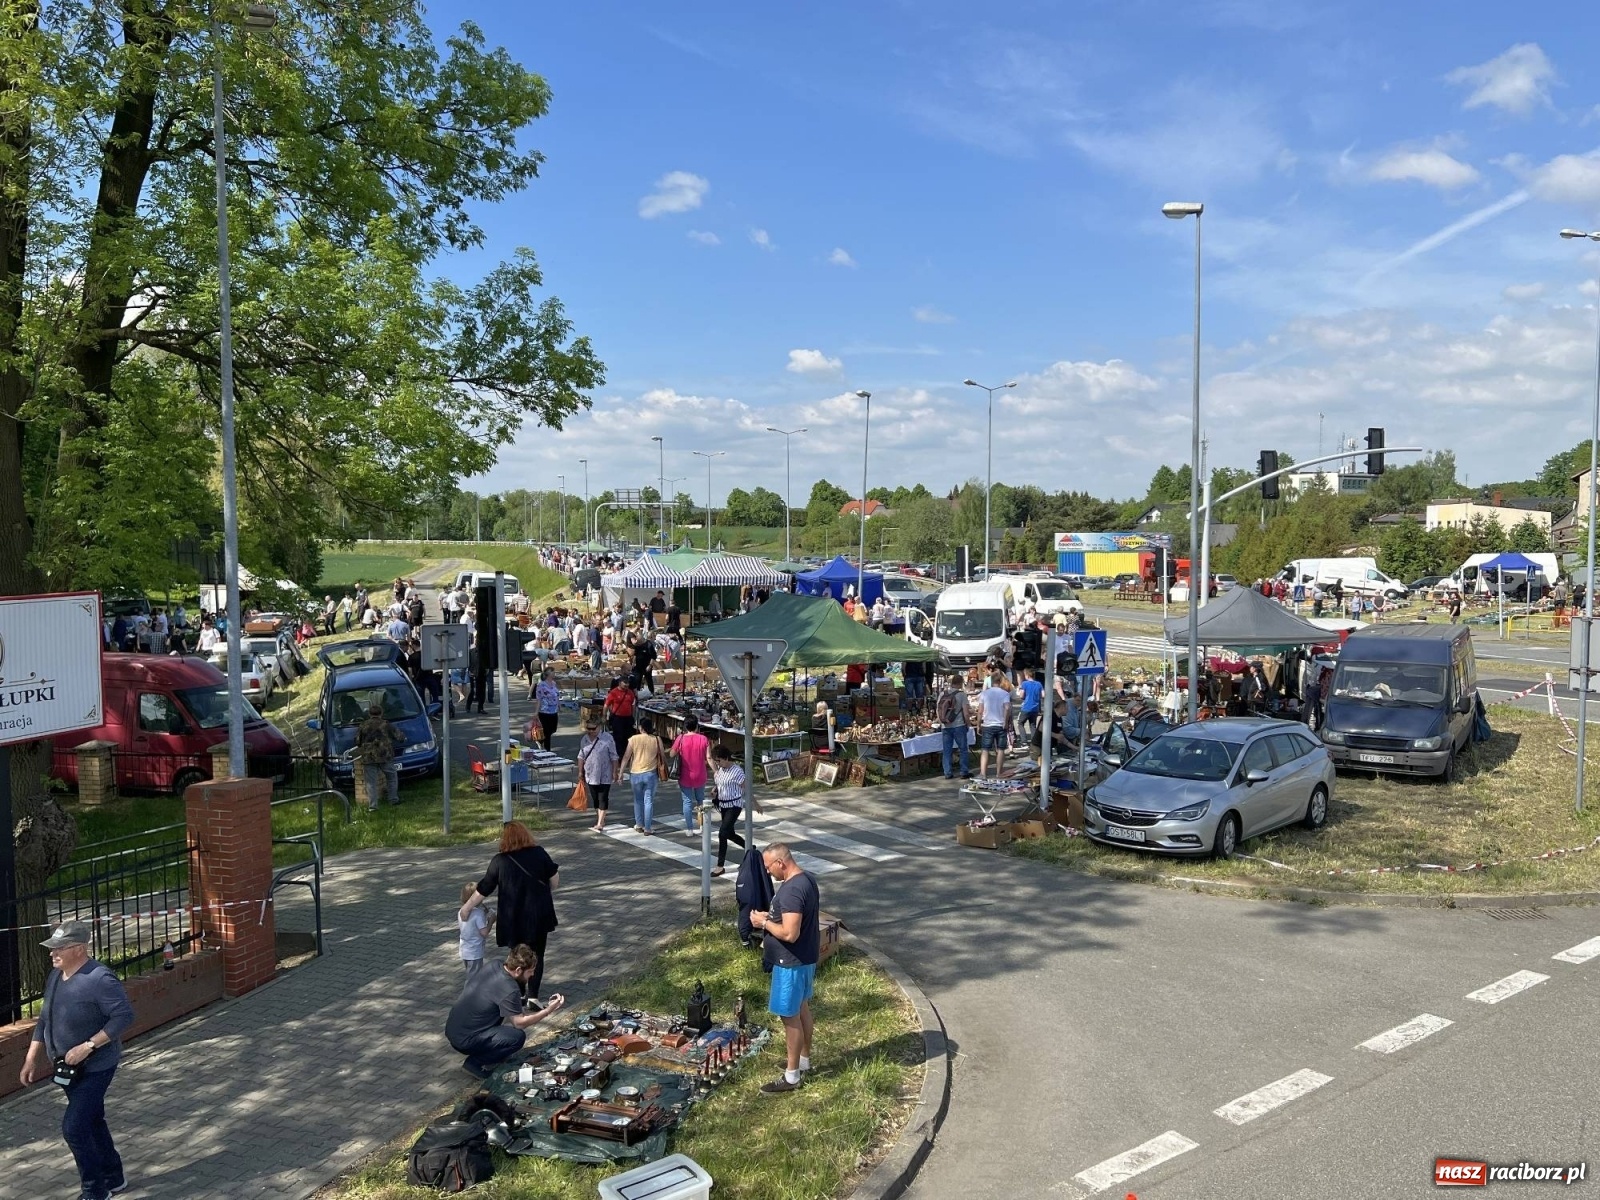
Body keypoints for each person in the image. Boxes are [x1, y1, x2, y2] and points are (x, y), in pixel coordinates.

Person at [20, 921, 135, 1200]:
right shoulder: (56, 976)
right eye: (52, 948)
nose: (52, 953)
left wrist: (88, 1045)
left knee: (74, 1128)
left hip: (96, 1066)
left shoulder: (99, 978)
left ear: (80, 949)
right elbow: (45, 1019)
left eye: (60, 948)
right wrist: (31, 1058)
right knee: (93, 1120)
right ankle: (114, 1176)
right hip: (66, 1067)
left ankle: (95, 1191)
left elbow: (124, 1017)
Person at [460, 822, 560, 1002]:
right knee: (537, 954)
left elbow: (484, 888)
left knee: (518, 955)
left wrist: (467, 907)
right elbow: (554, 879)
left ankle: (519, 993)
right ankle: (533, 996)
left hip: (512, 918)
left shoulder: (500, 861)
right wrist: (545, 892)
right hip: (538, 914)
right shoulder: (539, 853)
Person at [749, 844, 819, 1095]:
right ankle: (803, 1061)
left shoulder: (790, 891)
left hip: (790, 963)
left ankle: (791, 1077)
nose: (768, 873)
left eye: (769, 868)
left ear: (780, 863)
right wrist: (773, 916)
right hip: (806, 958)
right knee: (802, 1010)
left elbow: (790, 933)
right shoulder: (807, 879)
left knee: (789, 1017)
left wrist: (763, 921)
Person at [444, 943, 566, 1078]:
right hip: (465, 1040)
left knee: (504, 1031)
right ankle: (474, 1063)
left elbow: (513, 1009)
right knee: (516, 1037)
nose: (532, 975)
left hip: (453, 1029)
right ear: (519, 970)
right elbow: (519, 1023)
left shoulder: (494, 965)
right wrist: (548, 1011)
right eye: (530, 971)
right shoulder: (509, 988)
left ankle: (491, 1053)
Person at [619, 716, 665, 834]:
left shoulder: (633, 739)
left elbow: (626, 757)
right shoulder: (656, 739)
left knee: (638, 800)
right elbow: (663, 756)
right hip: (650, 773)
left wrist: (620, 773)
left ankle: (639, 824)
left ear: (641, 727)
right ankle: (648, 828)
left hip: (635, 773)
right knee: (648, 801)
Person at [355, 701, 403, 811]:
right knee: (391, 777)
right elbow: (399, 737)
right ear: (381, 713)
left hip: (369, 756)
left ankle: (373, 806)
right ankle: (393, 800)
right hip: (385, 755)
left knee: (371, 782)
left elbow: (357, 741)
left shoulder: (363, 725)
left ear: (369, 714)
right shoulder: (386, 724)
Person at [709, 744, 749, 877]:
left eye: (719, 760)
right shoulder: (721, 770)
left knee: (722, 833)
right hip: (723, 805)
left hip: (734, 805)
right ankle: (750, 848)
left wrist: (754, 803)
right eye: (716, 761)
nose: (718, 763)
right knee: (730, 833)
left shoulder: (737, 771)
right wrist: (715, 790)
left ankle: (720, 866)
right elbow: (720, 783)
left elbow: (746, 787)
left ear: (726, 758)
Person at [670, 714, 712, 836]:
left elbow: (672, 754)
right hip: (700, 774)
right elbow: (708, 757)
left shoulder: (681, 738)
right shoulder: (704, 739)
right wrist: (716, 770)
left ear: (685, 726)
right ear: (697, 726)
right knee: (700, 800)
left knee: (687, 802)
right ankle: (702, 825)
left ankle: (689, 828)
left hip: (685, 775)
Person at [577, 720, 620, 832]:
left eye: (593, 728)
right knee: (595, 798)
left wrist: (615, 771)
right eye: (589, 729)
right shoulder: (585, 739)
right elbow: (581, 756)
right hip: (590, 774)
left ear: (599, 726)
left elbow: (614, 756)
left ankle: (600, 822)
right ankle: (600, 816)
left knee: (603, 797)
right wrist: (580, 772)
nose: (591, 731)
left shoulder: (607, 738)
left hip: (605, 773)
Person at [977, 670, 1012, 777]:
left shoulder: (984, 693)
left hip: (988, 724)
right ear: (1000, 681)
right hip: (1000, 724)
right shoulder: (1005, 694)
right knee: (1001, 749)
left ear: (991, 681)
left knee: (985, 749)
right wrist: (1006, 722)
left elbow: (980, 711)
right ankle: (999, 772)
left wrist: (979, 724)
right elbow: (1007, 708)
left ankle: (983, 773)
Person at [936, 675, 972, 780]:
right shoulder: (961, 695)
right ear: (960, 683)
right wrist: (968, 723)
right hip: (959, 725)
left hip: (945, 726)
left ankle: (947, 772)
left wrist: (942, 722)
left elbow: (938, 709)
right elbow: (966, 713)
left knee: (947, 750)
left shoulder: (943, 693)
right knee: (963, 749)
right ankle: (964, 771)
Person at [458, 882, 494, 974]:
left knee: (470, 973)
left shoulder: (461, 911)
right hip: (475, 952)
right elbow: (484, 933)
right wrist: (491, 921)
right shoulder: (478, 914)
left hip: (464, 949)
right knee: (474, 979)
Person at [603, 674, 636, 747]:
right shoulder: (613, 693)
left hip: (628, 719)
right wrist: (604, 716)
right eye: (625, 683)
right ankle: (618, 755)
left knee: (628, 738)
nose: (627, 685)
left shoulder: (630, 692)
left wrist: (632, 716)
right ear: (620, 683)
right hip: (617, 718)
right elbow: (606, 705)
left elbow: (633, 705)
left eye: (628, 683)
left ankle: (626, 754)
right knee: (618, 738)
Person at [532, 668, 561, 746]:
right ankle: (547, 749)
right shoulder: (541, 685)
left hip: (554, 710)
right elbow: (539, 699)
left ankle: (540, 740)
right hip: (544, 711)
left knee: (553, 729)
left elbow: (556, 695)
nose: (554, 673)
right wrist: (536, 712)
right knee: (547, 731)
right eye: (552, 672)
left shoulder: (554, 683)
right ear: (548, 674)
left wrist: (558, 704)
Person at [1016, 667, 1043, 744]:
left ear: (1027, 675)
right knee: (1033, 725)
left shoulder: (1024, 684)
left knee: (1020, 723)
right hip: (1035, 708)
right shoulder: (1039, 684)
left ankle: (1024, 741)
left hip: (1026, 707)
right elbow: (1043, 695)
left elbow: (1021, 695)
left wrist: (1023, 696)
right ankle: (1034, 741)